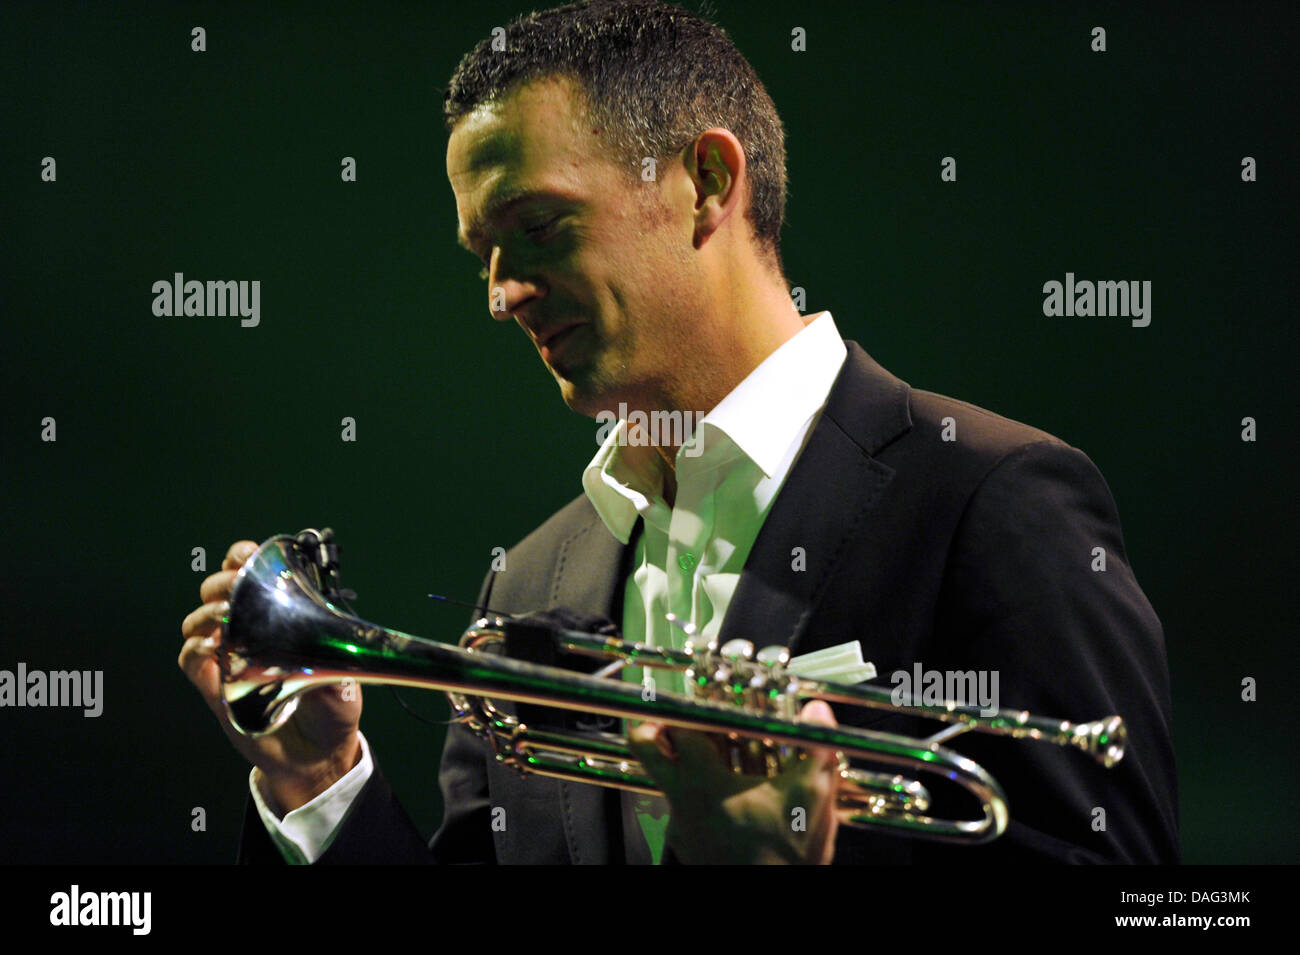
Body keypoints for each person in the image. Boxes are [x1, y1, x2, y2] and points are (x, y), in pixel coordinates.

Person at [179, 0, 1178, 864]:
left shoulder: (993, 498)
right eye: (482, 251)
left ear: (704, 180)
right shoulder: (529, 579)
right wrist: (318, 778)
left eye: (539, 227)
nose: (499, 295)